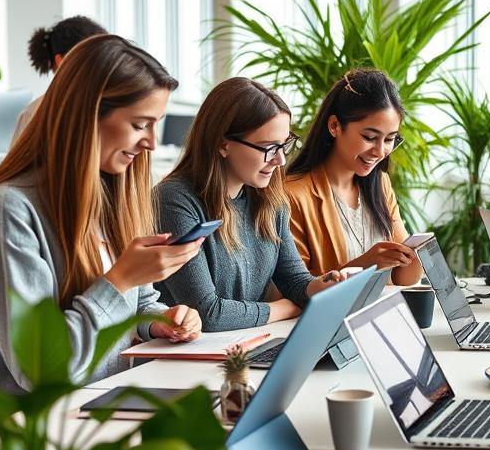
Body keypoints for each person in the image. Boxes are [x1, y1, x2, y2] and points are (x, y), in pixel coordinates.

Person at [0, 34, 203, 394]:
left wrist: (156, 321)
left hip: (103, 404)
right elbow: (43, 372)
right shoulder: (6, 212)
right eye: (140, 125)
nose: (153, 142)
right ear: (86, 117)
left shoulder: (109, 194)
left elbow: (133, 305)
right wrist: (120, 279)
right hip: (25, 432)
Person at [154, 77, 342, 333]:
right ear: (223, 144)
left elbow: (295, 282)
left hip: (242, 344)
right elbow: (207, 313)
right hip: (180, 360)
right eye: (269, 147)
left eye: (284, 144)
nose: (280, 160)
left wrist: (319, 288)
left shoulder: (268, 199)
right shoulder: (174, 200)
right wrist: (284, 308)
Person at [284, 69, 423, 286]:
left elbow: (404, 278)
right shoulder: (293, 194)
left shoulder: (380, 184)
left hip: (380, 314)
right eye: (369, 137)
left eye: (390, 139)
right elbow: (296, 290)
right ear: (334, 126)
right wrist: (368, 263)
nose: (380, 151)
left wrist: (418, 254)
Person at [13, 15, 107, 145]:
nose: (103, 63)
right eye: (93, 56)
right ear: (62, 61)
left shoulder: (113, 104)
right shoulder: (34, 115)